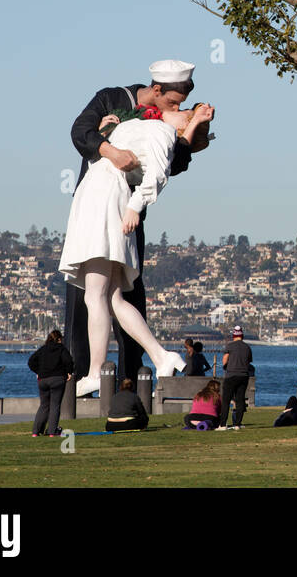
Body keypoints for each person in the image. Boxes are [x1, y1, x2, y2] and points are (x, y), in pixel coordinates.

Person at [64, 61, 215, 384]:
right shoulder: (111, 99)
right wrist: (111, 151)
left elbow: (171, 166)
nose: (176, 109)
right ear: (156, 91)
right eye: (172, 103)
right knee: (96, 299)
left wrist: (189, 127)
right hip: (100, 205)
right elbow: (81, 132)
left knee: (115, 294)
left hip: (125, 210)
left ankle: (125, 374)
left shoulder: (159, 125)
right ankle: (86, 370)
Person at [28, 329, 74, 437]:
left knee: (44, 405)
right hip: (57, 379)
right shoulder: (61, 349)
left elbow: (31, 361)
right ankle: (52, 431)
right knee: (55, 406)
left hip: (43, 380)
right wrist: (69, 372)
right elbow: (69, 361)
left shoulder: (43, 349)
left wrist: (38, 372)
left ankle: (36, 431)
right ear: (59, 339)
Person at [217, 325, 252, 429]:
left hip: (231, 375)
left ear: (233, 336)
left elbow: (225, 359)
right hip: (243, 376)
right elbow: (249, 361)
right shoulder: (247, 347)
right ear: (242, 336)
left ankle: (223, 424)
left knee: (226, 400)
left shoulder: (230, 346)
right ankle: (238, 424)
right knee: (240, 399)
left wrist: (226, 367)